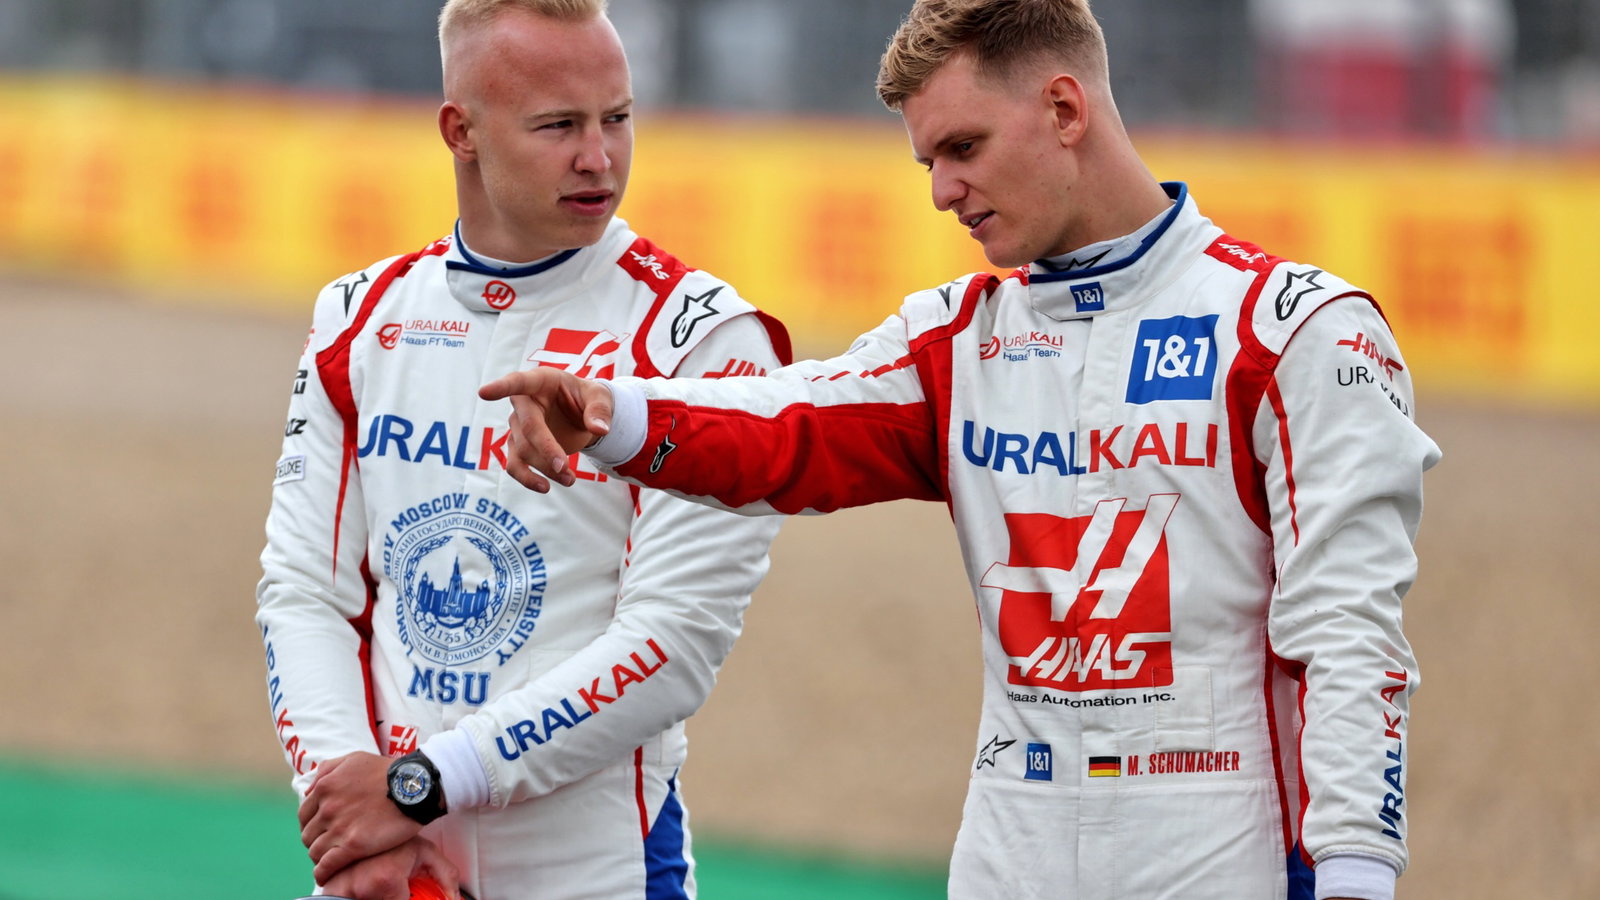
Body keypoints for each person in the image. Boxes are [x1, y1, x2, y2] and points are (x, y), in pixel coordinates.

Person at [480, 1, 1442, 898]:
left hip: (1221, 853)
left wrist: (1355, 873)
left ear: (1064, 108)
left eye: (963, 147)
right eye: (930, 161)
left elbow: (1349, 635)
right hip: (1006, 850)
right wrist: (613, 415)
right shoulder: (956, 342)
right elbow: (789, 424)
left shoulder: (1295, 330)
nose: (943, 191)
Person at [256, 1, 790, 898]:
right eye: (559, 126)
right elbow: (305, 590)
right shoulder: (359, 319)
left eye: (617, 117)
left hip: (594, 868)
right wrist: (351, 807)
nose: (599, 156)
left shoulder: (705, 341)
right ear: (459, 130)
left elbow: (672, 643)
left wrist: (423, 787)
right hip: (382, 857)